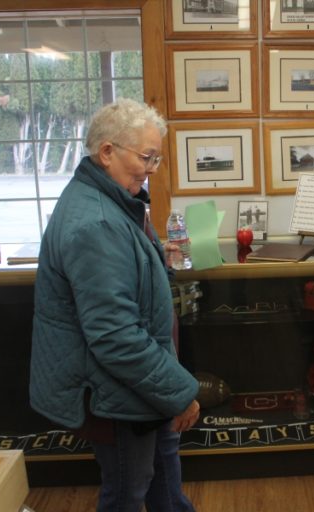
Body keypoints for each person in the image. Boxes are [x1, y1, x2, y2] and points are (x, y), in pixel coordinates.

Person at [30, 98, 200, 512]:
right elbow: (115, 337)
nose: (152, 169)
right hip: (119, 394)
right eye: (146, 157)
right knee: (127, 495)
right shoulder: (97, 223)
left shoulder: (110, 203)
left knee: (164, 489)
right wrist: (181, 393)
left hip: (137, 390)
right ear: (107, 152)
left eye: (156, 158)